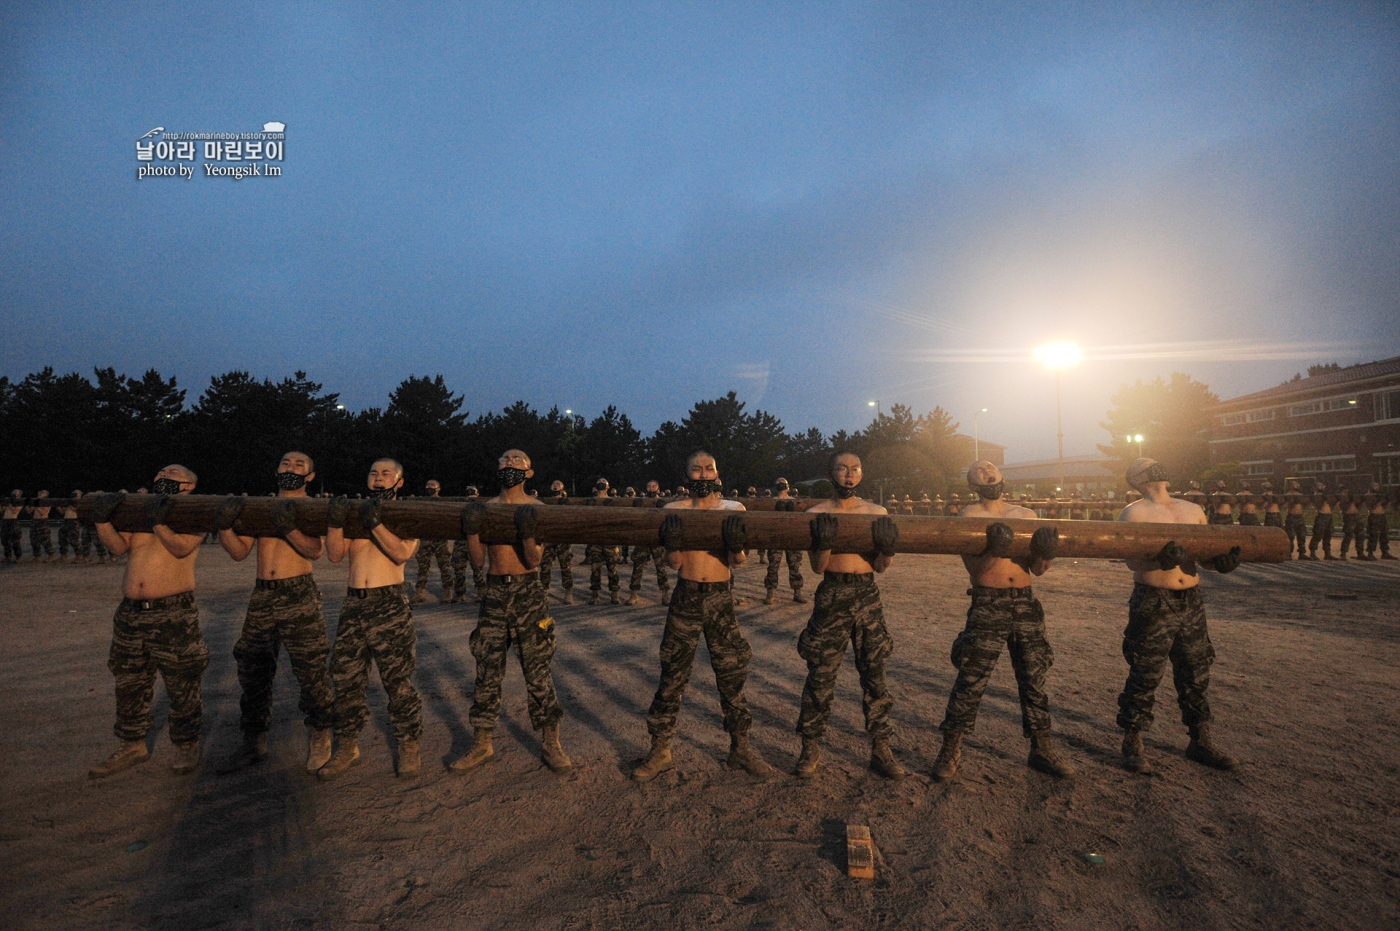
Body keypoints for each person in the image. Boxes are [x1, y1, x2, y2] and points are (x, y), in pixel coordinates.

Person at [632, 451, 774, 781]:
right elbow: (675, 564)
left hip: (720, 598)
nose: (703, 473)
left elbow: (738, 561)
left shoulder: (733, 509)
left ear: (718, 472)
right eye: (696, 469)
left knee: (731, 674)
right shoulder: (674, 511)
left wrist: (736, 544)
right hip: (686, 596)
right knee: (672, 675)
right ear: (686, 476)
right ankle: (661, 750)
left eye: (709, 467)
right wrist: (671, 543)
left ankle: (740, 749)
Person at [931, 461, 1074, 782]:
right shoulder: (967, 518)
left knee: (1034, 677)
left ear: (1002, 476)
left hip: (1025, 601)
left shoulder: (1026, 515)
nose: (985, 470)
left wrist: (1046, 554)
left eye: (990, 467)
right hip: (988, 602)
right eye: (977, 469)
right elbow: (978, 571)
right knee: (971, 678)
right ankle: (950, 748)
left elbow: (1038, 570)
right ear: (971, 483)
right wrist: (995, 550)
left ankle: (1042, 748)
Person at [1114, 458, 1239, 774]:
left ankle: (1200, 740)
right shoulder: (1134, 512)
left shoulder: (1192, 509)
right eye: (1147, 464)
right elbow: (1131, 562)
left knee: (1196, 671)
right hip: (1154, 600)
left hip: (1191, 600)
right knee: (1145, 671)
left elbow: (1204, 554)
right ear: (1136, 478)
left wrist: (1219, 563)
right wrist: (1159, 562)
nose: (1156, 465)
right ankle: (1133, 742)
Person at [450, 450, 572, 773]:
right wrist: (472, 531)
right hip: (494, 591)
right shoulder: (487, 509)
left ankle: (551, 743)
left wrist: (529, 532)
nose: (509, 464)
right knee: (487, 669)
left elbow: (533, 561)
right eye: (504, 460)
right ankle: (481, 743)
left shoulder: (537, 510)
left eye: (517, 461)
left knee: (537, 669)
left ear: (529, 473)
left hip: (528, 592)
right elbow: (478, 561)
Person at [214, 452, 336, 773]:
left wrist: (288, 529)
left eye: (299, 465)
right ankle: (253, 742)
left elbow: (315, 550)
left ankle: (321, 734)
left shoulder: (310, 506)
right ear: (276, 469)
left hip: (298, 592)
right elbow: (240, 552)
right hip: (262, 595)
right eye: (286, 463)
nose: (291, 468)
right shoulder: (260, 507)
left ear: (310, 476)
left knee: (310, 669)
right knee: (253, 671)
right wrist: (225, 527)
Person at [87, 466, 209, 778]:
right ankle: (131, 744)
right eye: (161, 471)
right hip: (131, 612)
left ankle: (186, 744)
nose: (164, 474)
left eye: (173, 472)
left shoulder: (196, 513)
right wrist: (102, 521)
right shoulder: (138, 513)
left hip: (173, 612)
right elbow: (117, 547)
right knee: (129, 681)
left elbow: (180, 548)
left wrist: (157, 522)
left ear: (190, 485)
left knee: (181, 681)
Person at [793, 452, 904, 779]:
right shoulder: (817, 513)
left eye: (855, 469)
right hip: (832, 595)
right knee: (821, 676)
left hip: (867, 594)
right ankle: (810, 748)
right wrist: (825, 543)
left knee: (875, 675)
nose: (849, 474)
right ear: (831, 473)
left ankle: (881, 748)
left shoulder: (876, 513)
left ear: (862, 474)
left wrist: (887, 549)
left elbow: (882, 568)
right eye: (842, 468)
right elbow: (817, 567)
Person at [319, 459, 423, 780]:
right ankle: (347, 746)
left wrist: (376, 523)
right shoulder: (357, 513)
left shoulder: (407, 514)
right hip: (354, 603)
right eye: (373, 473)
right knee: (346, 679)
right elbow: (336, 554)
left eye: (386, 474)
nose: (378, 478)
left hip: (388, 601)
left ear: (400, 482)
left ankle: (409, 744)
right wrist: (336, 522)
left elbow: (402, 553)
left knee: (397, 679)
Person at [626, 480, 671, 606]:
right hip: (643, 538)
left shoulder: (663, 503)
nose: (651, 489)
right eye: (648, 486)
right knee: (637, 566)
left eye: (653, 486)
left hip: (657, 538)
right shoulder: (642, 502)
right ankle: (634, 594)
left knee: (660, 567)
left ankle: (665, 594)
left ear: (658, 488)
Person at [763, 478, 806, 606]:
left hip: (792, 537)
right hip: (776, 537)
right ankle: (770, 593)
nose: (782, 486)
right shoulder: (771, 502)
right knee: (773, 566)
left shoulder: (794, 502)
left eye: (783, 484)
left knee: (795, 566)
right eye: (780, 484)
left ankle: (797, 592)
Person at [411, 479, 454, 604]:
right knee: (422, 567)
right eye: (428, 484)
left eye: (432, 485)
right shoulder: (422, 502)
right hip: (425, 538)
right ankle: (420, 592)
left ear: (438, 488)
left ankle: (448, 591)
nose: (429, 487)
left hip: (440, 538)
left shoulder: (443, 503)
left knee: (444, 566)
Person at [539, 479, 576, 604]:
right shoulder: (546, 503)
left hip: (562, 539)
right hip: (549, 539)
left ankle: (568, 592)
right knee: (545, 567)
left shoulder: (566, 504)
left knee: (565, 567)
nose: (555, 493)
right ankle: (544, 591)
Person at [585, 479, 622, 605]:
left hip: (610, 540)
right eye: (599, 481)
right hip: (595, 540)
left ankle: (614, 594)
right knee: (595, 569)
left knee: (612, 569)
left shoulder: (613, 502)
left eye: (604, 482)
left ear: (608, 486)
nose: (602, 483)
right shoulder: (591, 502)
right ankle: (595, 595)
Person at [450, 485, 486, 602]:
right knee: (459, 569)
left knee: (477, 569)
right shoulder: (461, 506)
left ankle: (481, 591)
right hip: (460, 542)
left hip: (475, 541)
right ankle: (460, 593)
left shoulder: (481, 507)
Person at [1365, 483, 1394, 560]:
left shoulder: (1379, 495)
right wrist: (1380, 501)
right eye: (1375, 485)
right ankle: (1370, 553)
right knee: (1373, 535)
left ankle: (1385, 552)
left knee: (1384, 534)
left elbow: (1384, 508)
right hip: (1374, 516)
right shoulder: (1369, 496)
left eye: (1377, 485)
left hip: (1382, 515)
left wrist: (1388, 502)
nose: (1377, 487)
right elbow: (1372, 508)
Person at [1309, 484, 1335, 560]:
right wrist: (1324, 497)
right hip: (1321, 515)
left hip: (1329, 515)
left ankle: (1327, 553)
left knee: (1328, 535)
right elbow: (1318, 505)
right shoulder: (1316, 496)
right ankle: (1312, 552)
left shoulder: (1325, 495)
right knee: (1318, 535)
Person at [1283, 482, 1307, 559]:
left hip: (1299, 516)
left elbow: (1305, 505)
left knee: (1302, 535)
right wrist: (1291, 502)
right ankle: (1289, 553)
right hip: (1291, 516)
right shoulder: (1287, 495)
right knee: (1290, 536)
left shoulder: (1301, 496)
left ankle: (1302, 553)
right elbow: (1284, 506)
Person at [28, 491, 54, 561]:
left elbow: (42, 512)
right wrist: (28, 504)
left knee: (45, 539)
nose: (40, 493)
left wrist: (36, 505)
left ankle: (50, 555)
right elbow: (29, 511)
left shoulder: (47, 502)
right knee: (33, 539)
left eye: (42, 493)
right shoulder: (36, 501)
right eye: (39, 492)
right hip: (34, 521)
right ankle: (37, 556)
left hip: (43, 521)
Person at [1338, 489, 1364, 560]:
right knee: (1348, 535)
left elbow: (1359, 508)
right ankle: (1343, 553)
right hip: (1349, 517)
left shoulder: (1355, 500)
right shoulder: (1343, 500)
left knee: (1360, 535)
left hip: (1356, 516)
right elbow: (1344, 509)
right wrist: (1350, 501)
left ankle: (1360, 553)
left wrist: (1359, 502)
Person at [59, 490, 82, 561]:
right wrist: (59, 506)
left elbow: (77, 509)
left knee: (73, 539)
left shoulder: (79, 502)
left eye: (76, 494)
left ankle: (79, 555)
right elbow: (63, 512)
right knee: (62, 538)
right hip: (66, 520)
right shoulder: (71, 502)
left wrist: (69, 504)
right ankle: (63, 555)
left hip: (73, 520)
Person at [1, 490, 22, 564]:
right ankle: (8, 556)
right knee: (5, 540)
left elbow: (14, 510)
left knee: (15, 540)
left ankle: (18, 557)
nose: (14, 493)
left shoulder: (20, 502)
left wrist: (9, 503)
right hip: (5, 521)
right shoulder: (9, 501)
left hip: (13, 521)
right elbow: (1, 510)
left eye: (16, 492)